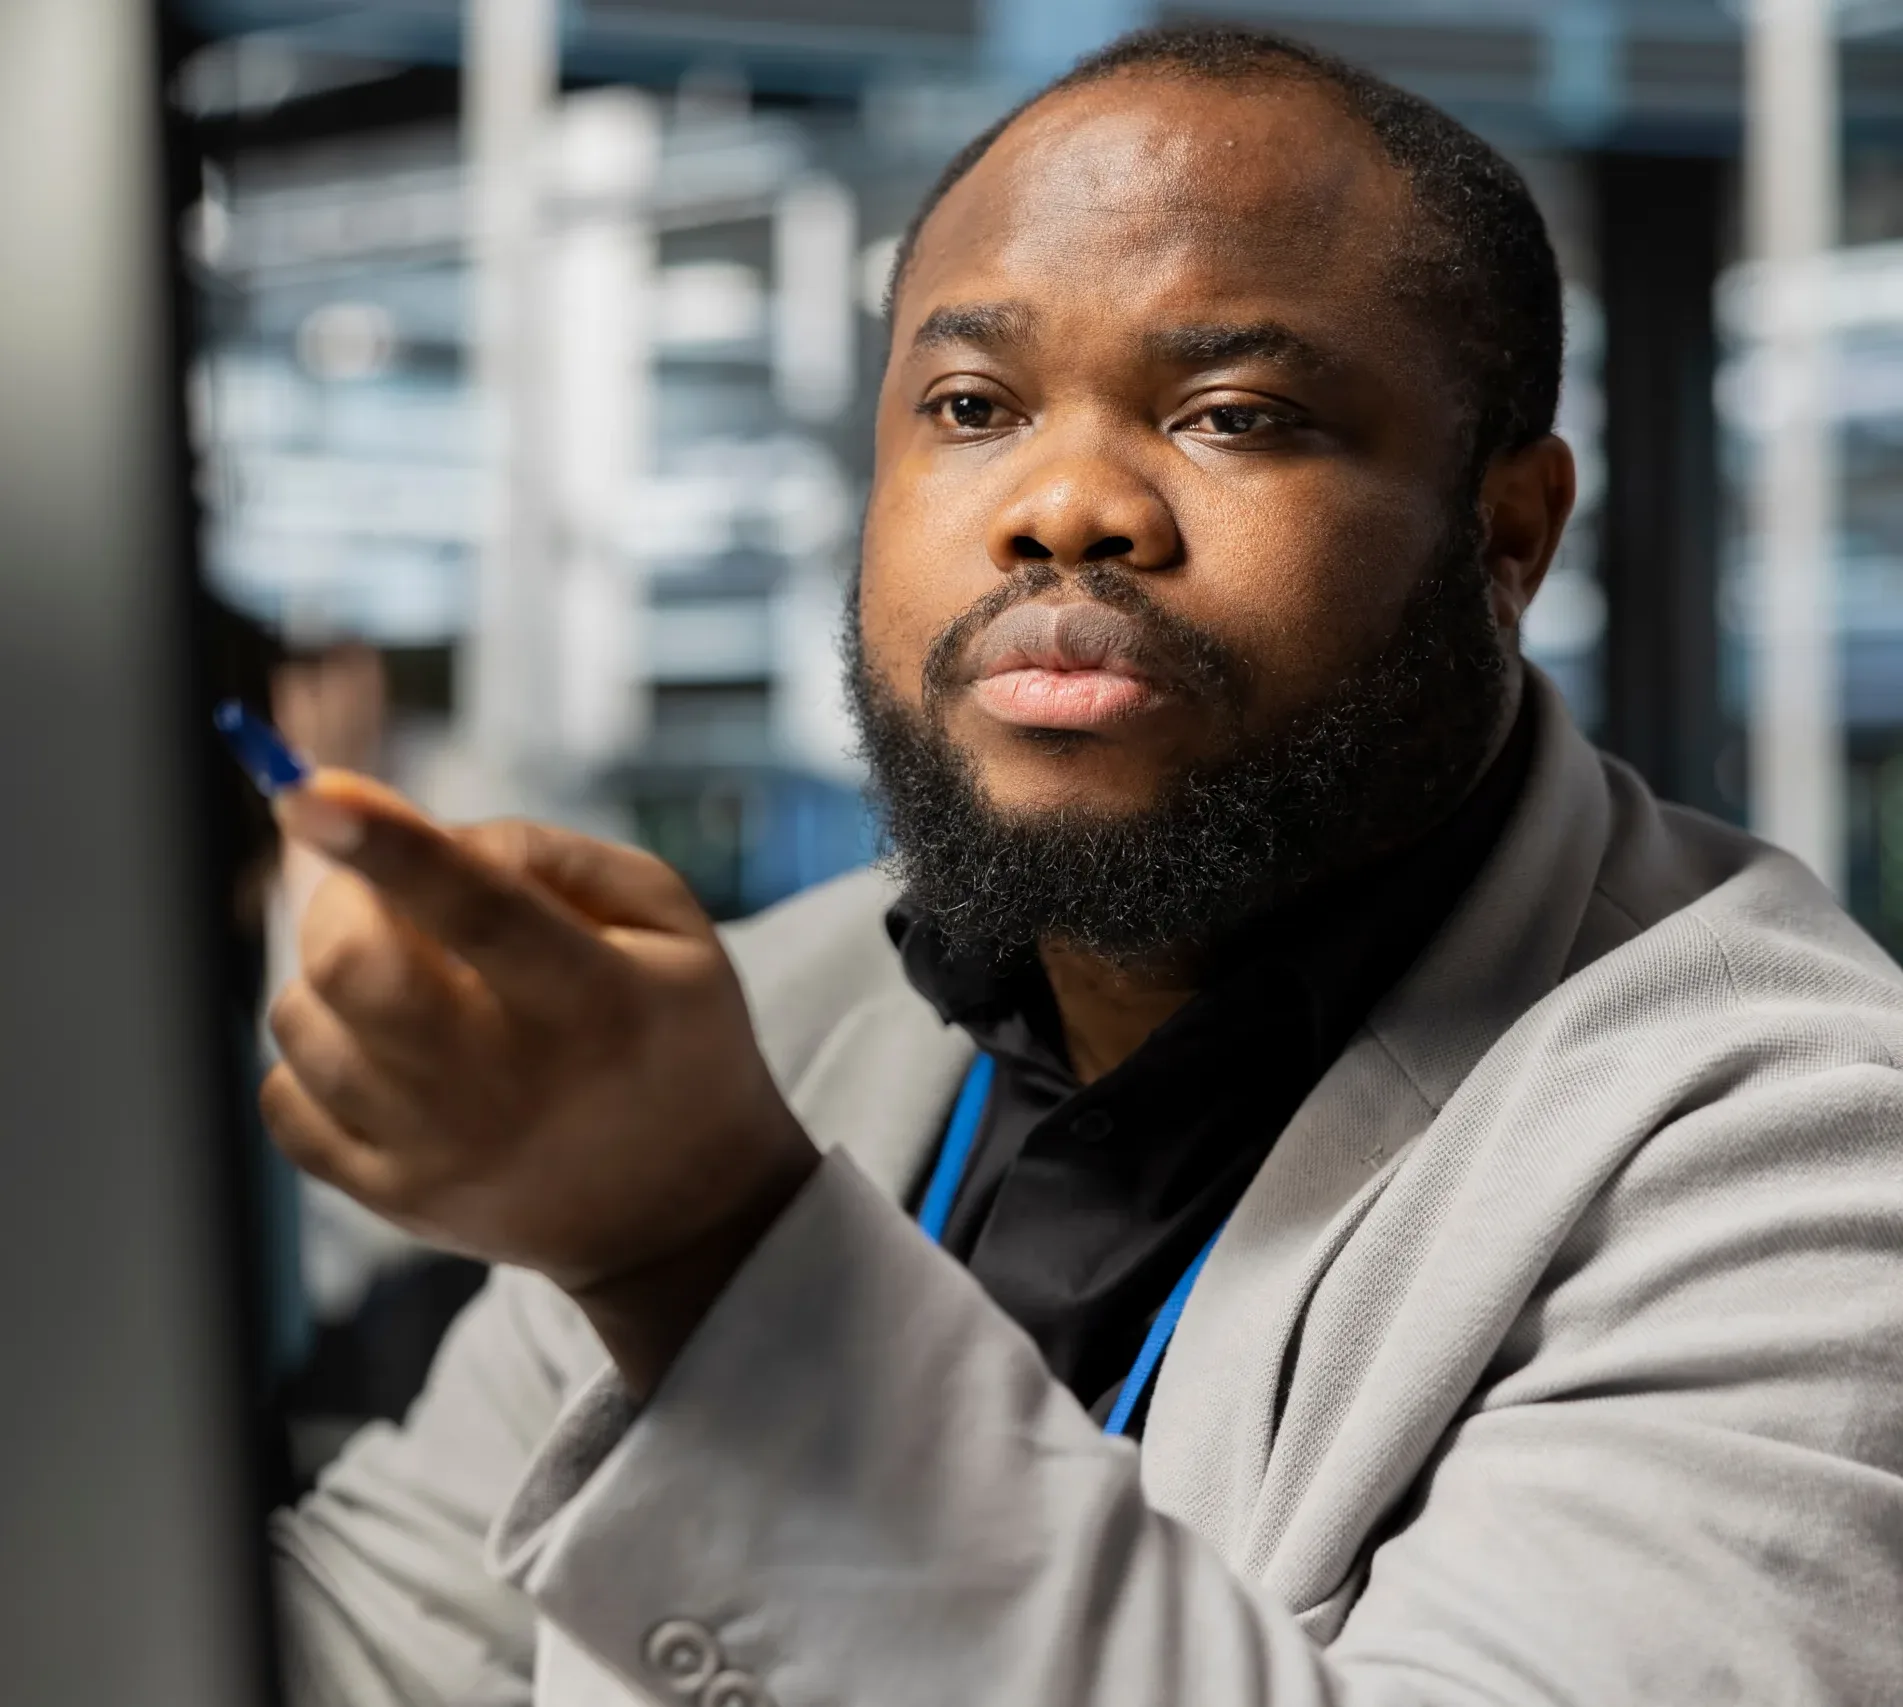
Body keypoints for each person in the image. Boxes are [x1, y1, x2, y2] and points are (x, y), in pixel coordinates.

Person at [265, 25, 1903, 1707]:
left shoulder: (1808, 1147)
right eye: (971, 406)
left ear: (1507, 535)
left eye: (1232, 414)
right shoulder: (766, 1014)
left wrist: (696, 1256)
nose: (1062, 504)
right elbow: (379, 1638)